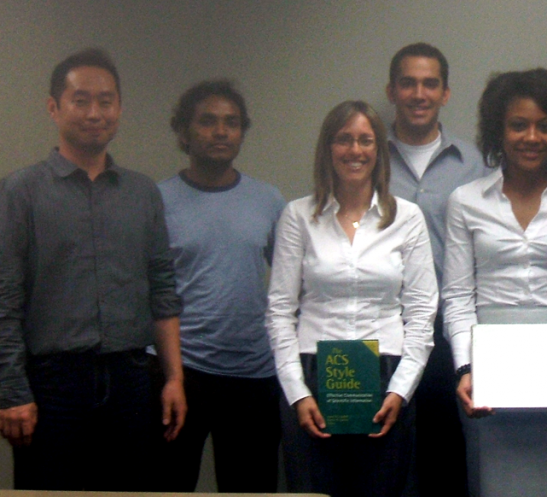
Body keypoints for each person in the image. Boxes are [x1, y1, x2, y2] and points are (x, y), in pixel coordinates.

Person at [0, 47, 186, 491]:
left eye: (106, 101)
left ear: (120, 108)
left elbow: (162, 291)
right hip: (51, 387)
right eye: (80, 100)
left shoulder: (142, 193)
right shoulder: (19, 193)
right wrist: (13, 390)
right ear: (54, 108)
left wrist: (173, 379)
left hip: (132, 382)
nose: (95, 112)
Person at [443, 68, 547, 497]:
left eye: (544, 126)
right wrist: (466, 367)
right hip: (489, 366)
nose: (531, 137)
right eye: (519, 124)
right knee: (492, 482)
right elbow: (459, 296)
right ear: (500, 129)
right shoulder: (465, 202)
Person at [266, 100, 437, 497]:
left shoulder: (407, 217)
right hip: (310, 377)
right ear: (328, 147)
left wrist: (401, 390)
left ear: (379, 150)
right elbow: (279, 312)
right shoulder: (298, 216)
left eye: (365, 140)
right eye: (344, 140)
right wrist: (297, 392)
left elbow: (423, 310)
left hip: (386, 378)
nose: (355, 151)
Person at [151, 80, 286, 492]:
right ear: (184, 132)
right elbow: (149, 293)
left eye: (231, 122)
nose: (221, 131)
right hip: (180, 373)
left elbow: (290, 289)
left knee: (251, 489)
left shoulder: (268, 200)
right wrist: (170, 375)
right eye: (207, 121)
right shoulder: (156, 201)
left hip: (254, 375)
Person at [385, 42, 489, 497]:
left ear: (446, 93)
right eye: (408, 82)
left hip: (451, 330)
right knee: (386, 451)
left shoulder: (475, 165)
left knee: (448, 453)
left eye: (430, 83)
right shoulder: (365, 156)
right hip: (384, 325)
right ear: (392, 90)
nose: (419, 93)